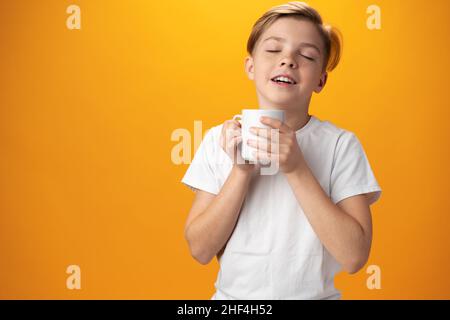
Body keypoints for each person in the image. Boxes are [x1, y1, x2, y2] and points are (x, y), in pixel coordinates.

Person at [181, 1, 382, 300]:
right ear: (250, 66)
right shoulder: (218, 141)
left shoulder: (341, 145)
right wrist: (240, 170)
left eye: (307, 55)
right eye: (274, 50)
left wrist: (297, 167)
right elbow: (199, 249)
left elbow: (354, 257)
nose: (288, 60)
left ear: (321, 80)